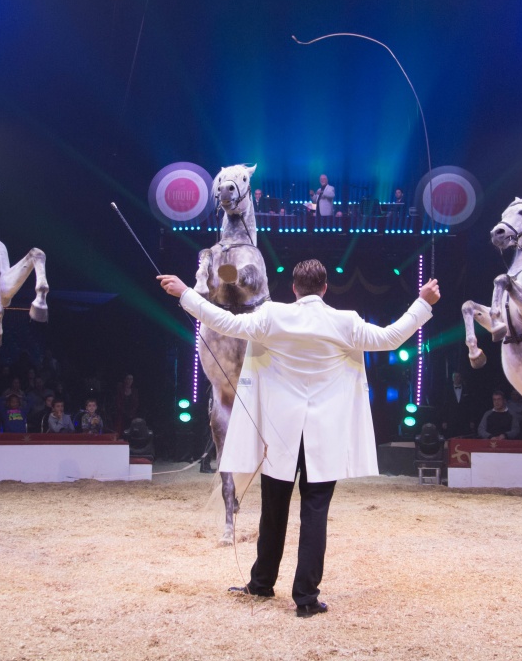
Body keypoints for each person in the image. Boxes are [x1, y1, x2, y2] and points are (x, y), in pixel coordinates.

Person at [158, 259, 439, 618]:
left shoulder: (273, 316)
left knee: (273, 512)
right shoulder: (345, 321)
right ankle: (305, 597)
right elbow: (390, 337)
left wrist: (185, 293)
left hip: (279, 435)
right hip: (323, 437)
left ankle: (262, 583)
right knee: (315, 513)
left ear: (293, 288)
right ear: (325, 288)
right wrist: (423, 302)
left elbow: (224, 322)